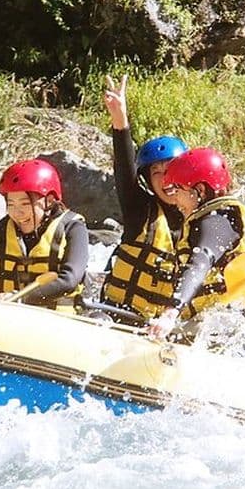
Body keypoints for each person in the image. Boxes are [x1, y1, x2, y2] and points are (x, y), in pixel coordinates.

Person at [99, 75, 188, 322]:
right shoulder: (140, 211)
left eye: (170, 170)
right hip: (116, 316)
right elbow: (124, 172)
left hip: (160, 328)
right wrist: (120, 119)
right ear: (148, 181)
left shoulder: (202, 222)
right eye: (156, 173)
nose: (165, 179)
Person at [147, 147, 245, 340]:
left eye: (176, 189)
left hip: (230, 324)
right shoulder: (205, 219)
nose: (174, 198)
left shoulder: (217, 221)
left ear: (200, 190)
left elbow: (200, 262)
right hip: (211, 320)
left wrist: (171, 313)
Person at [0, 159, 89, 312]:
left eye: (25, 204)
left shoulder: (73, 227)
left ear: (49, 201)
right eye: (11, 204)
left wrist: (19, 298)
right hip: (7, 316)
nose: (17, 213)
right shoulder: (3, 228)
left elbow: (69, 280)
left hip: (58, 319)